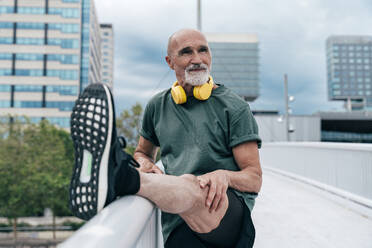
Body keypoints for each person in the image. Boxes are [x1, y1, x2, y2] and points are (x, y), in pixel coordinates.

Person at [69, 29, 262, 248]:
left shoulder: (234, 107)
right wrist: (144, 162)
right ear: (170, 62)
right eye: (186, 52)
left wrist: (225, 176)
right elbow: (143, 151)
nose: (197, 59)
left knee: (193, 184)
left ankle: (120, 177)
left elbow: (254, 178)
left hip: (226, 212)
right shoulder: (157, 106)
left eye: (203, 50)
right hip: (177, 217)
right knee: (186, 184)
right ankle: (117, 174)